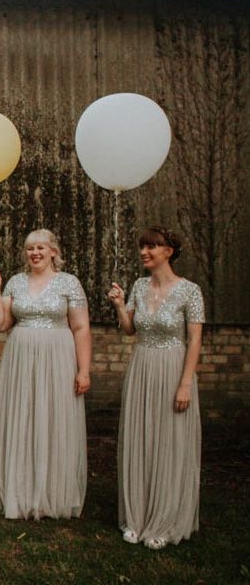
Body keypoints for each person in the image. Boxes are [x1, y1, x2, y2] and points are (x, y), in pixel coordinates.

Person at [108, 227, 204, 550]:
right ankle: (136, 518)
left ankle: (165, 519)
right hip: (142, 368)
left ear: (169, 251)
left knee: (170, 440)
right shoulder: (138, 285)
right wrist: (121, 305)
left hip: (173, 367)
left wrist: (185, 384)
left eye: (152, 246)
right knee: (141, 437)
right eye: (143, 247)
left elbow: (194, 342)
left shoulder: (190, 291)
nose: (145, 252)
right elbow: (130, 329)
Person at [0, 229, 91, 520]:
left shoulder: (69, 282)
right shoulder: (16, 282)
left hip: (58, 358)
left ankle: (53, 494)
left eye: (41, 248)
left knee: (54, 419)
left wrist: (84, 370)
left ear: (53, 251)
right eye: (30, 248)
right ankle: (21, 491)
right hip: (20, 359)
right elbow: (0, 323)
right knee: (23, 418)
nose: (35, 253)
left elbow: (81, 328)